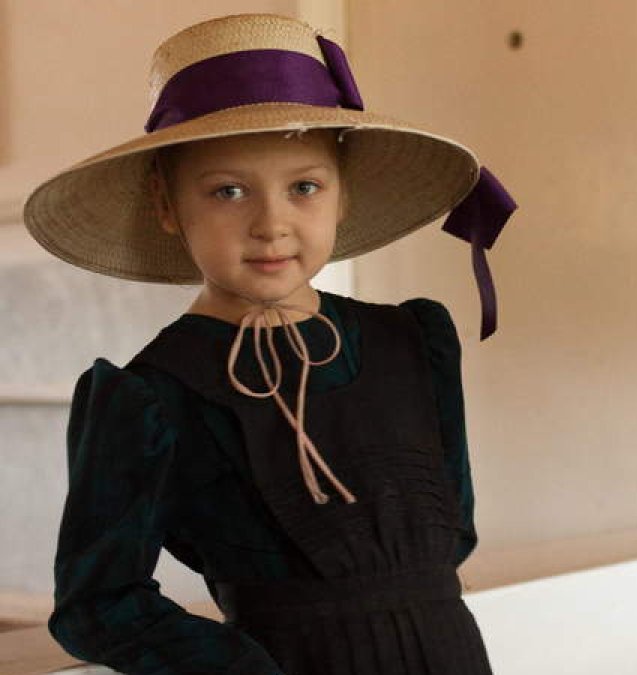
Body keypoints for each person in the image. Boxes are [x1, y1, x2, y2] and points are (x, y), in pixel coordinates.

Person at [23, 13, 515, 675]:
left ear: (343, 197)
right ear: (168, 207)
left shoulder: (413, 340)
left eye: (304, 187)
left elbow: (450, 534)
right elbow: (97, 601)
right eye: (228, 191)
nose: (271, 224)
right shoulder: (147, 395)